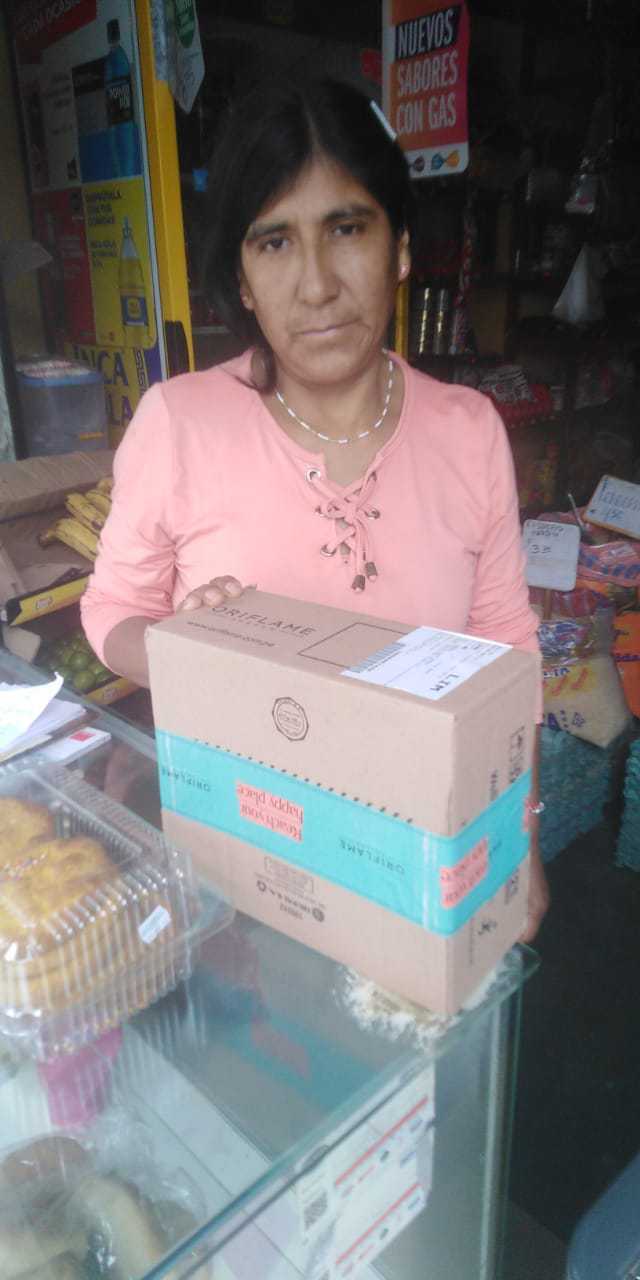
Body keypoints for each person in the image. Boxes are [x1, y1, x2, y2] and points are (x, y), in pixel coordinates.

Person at [81, 76, 549, 941]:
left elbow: (505, 648)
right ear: (242, 279)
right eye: (275, 242)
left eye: (347, 229)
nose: (317, 285)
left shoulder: (468, 431)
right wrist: (192, 650)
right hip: (239, 869)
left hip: (413, 862)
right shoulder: (180, 424)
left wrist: (516, 833)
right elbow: (112, 607)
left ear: (399, 248)